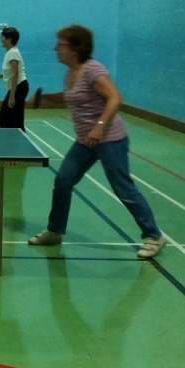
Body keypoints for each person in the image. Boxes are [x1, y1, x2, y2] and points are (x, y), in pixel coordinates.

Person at [29, 24, 166, 259]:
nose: (55, 48)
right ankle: (54, 231)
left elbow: (114, 97)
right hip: (85, 141)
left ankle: (154, 236)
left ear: (74, 48)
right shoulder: (70, 73)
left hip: (109, 139)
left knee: (122, 187)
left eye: (60, 44)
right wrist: (43, 98)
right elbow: (70, 98)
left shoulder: (93, 70)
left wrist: (99, 128)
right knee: (63, 180)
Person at [0, 26, 29, 130]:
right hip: (18, 87)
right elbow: (10, 72)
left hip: (19, 87)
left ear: (9, 39)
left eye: (3, 37)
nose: (1, 39)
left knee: (4, 117)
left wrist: (12, 96)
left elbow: (15, 74)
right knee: (14, 119)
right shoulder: (10, 52)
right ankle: (14, 140)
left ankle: (13, 141)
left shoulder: (13, 53)